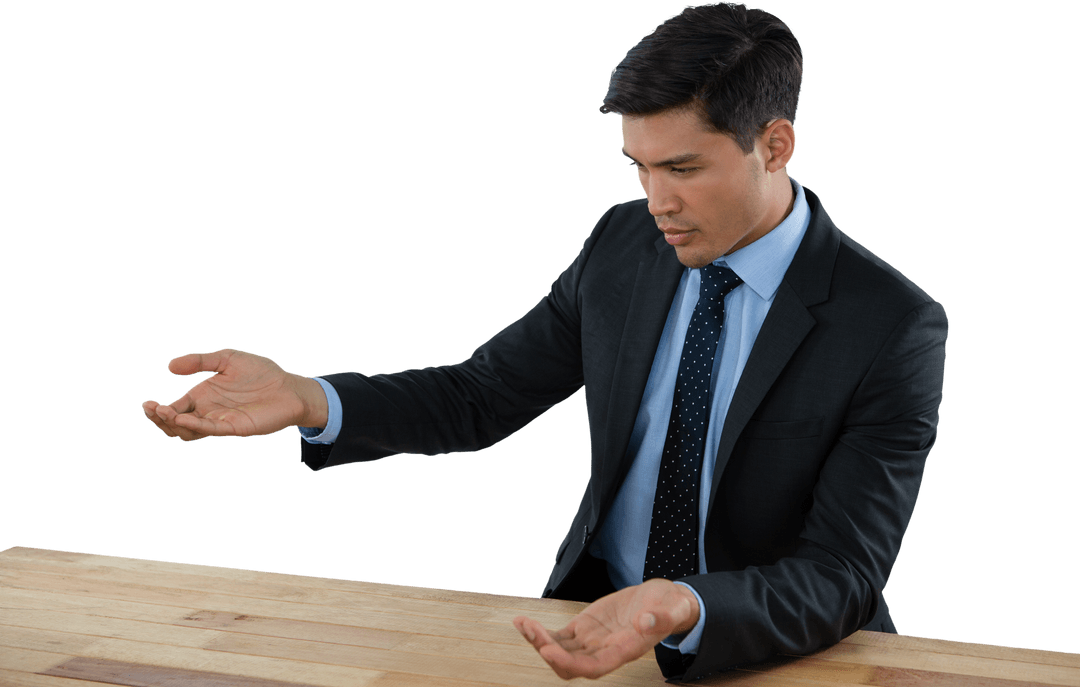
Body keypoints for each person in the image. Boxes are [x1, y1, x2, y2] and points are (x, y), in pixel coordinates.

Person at [143, 2, 948, 681]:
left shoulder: (892, 325)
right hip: (595, 626)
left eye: (683, 167)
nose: (657, 200)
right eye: (638, 166)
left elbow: (842, 572)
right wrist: (309, 397)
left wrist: (684, 601)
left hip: (774, 654)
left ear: (775, 145)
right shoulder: (623, 245)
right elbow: (481, 395)